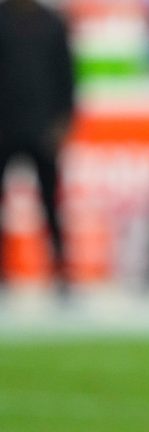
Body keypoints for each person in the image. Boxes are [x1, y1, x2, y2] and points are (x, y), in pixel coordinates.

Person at [0, 0, 74, 294]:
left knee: (51, 203)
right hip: (5, 127)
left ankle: (61, 273)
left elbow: (66, 73)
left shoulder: (52, 22)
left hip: (43, 128)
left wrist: (62, 122)